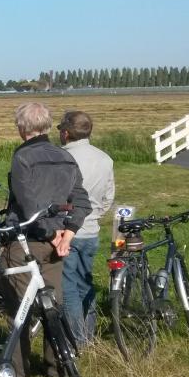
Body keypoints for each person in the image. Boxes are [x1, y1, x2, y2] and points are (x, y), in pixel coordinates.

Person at [3, 102, 91, 377]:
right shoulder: (64, 157)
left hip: (26, 241)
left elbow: (29, 206)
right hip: (58, 245)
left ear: (21, 127)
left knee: (20, 308)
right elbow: (82, 201)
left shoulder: (22, 158)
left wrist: (54, 235)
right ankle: (58, 368)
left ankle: (18, 372)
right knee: (54, 306)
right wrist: (68, 233)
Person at [58, 111, 115, 346]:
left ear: (66, 132)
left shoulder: (61, 158)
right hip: (91, 230)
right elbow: (108, 197)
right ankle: (89, 336)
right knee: (86, 283)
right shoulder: (105, 158)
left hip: (67, 231)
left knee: (68, 289)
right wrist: (95, 216)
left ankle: (77, 340)